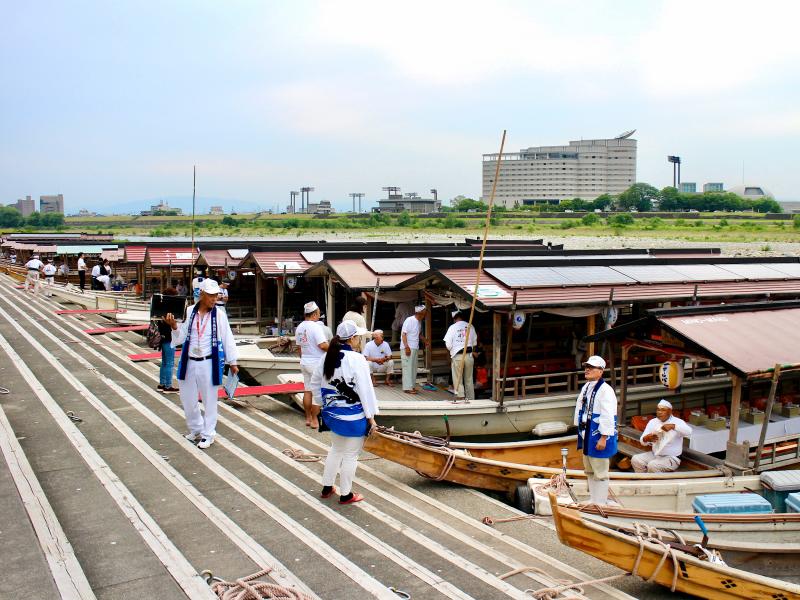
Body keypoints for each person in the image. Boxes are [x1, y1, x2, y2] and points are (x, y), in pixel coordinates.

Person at [164, 278, 239, 449]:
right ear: (202, 294)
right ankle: (196, 428)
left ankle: (208, 434)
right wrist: (174, 326)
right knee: (187, 398)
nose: (214, 299)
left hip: (208, 362)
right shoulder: (190, 311)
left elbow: (227, 338)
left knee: (209, 400)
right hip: (189, 361)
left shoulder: (219, 315)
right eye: (211, 295)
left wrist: (233, 362)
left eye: (216, 295)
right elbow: (181, 337)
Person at [310, 320, 378, 505]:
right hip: (353, 416)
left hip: (332, 414)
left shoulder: (327, 357)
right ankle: (346, 494)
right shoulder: (357, 359)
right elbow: (365, 390)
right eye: (358, 337)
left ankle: (327, 487)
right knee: (350, 455)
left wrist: (323, 402)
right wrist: (371, 417)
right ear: (353, 338)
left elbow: (315, 383)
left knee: (336, 449)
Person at [573, 355, 618, 505]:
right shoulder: (586, 387)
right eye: (587, 367)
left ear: (601, 371)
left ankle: (601, 501)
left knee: (600, 469)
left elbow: (608, 415)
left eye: (591, 367)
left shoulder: (606, 390)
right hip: (587, 432)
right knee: (589, 468)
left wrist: (604, 437)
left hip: (597, 433)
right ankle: (594, 499)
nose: (587, 369)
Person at [632, 399, 692, 473]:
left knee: (653, 465)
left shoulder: (677, 422)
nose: (659, 412)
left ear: (670, 412)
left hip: (672, 458)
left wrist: (673, 426)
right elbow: (642, 441)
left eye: (663, 410)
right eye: (658, 410)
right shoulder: (653, 422)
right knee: (636, 459)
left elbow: (689, 432)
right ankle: (642, 478)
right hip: (655, 455)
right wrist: (646, 438)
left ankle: (653, 480)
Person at [295, 301, 329, 428]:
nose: (319, 315)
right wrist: (334, 349)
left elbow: (299, 348)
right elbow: (323, 345)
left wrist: (303, 359)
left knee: (308, 390)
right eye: (318, 313)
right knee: (318, 391)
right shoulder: (315, 327)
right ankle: (315, 419)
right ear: (314, 314)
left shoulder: (299, 327)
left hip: (304, 362)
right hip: (316, 363)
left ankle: (308, 418)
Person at [443, 310, 477, 401]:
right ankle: (470, 398)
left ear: (454, 319)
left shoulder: (452, 327)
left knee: (457, 377)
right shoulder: (470, 326)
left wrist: (453, 350)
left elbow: (448, 344)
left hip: (458, 355)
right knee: (469, 378)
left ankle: (461, 396)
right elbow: (474, 343)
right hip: (469, 355)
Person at [157, 287, 180, 394]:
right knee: (170, 363)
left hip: (162, 338)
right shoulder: (171, 311)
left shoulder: (160, 308)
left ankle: (162, 384)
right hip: (169, 339)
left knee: (164, 362)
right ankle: (168, 386)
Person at [400, 304, 426, 394]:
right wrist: (406, 347)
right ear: (420, 312)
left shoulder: (419, 322)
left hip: (415, 347)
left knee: (413, 368)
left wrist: (425, 340)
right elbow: (404, 334)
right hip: (408, 347)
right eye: (424, 312)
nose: (425, 314)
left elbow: (418, 334)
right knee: (407, 368)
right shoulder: (409, 320)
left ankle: (412, 386)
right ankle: (408, 388)